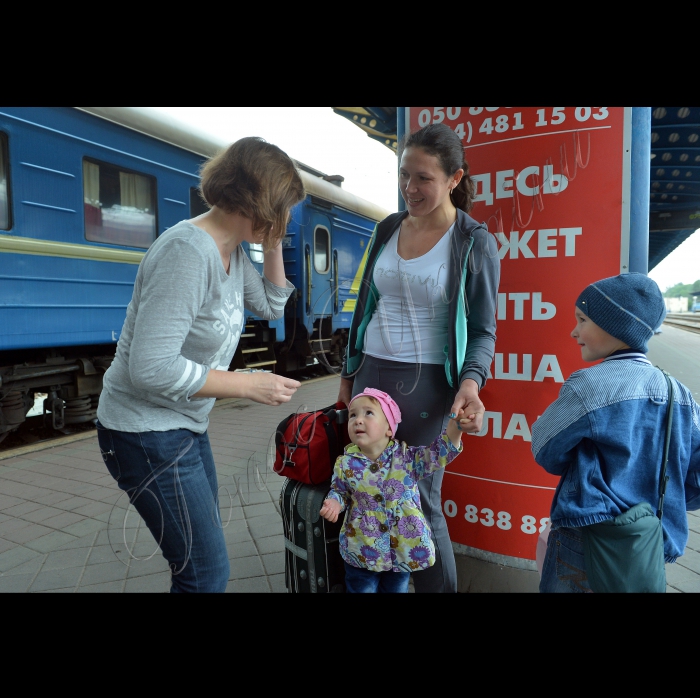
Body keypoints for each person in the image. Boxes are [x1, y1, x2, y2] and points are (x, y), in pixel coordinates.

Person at [96, 137, 304, 593]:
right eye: (283, 208)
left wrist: (272, 243)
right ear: (260, 201)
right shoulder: (189, 253)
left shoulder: (229, 250)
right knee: (204, 574)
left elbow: (271, 303)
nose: (286, 220)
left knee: (201, 566)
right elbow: (148, 368)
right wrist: (247, 385)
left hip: (182, 426)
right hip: (144, 432)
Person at [338, 123, 500, 593]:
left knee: (420, 504)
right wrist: (349, 375)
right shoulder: (389, 227)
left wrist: (470, 383)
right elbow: (367, 304)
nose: (410, 188)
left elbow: (484, 329)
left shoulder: (474, 241)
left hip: (428, 387)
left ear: (454, 178)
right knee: (367, 493)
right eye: (405, 175)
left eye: (424, 178)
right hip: (371, 376)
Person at [531, 273, 700, 593]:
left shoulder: (588, 386)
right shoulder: (680, 394)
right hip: (647, 544)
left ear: (615, 325)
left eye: (582, 320)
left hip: (584, 539)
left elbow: (545, 449)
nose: (574, 331)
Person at [320, 388, 467, 593]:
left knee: (397, 590)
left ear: (389, 428)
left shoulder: (406, 458)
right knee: (361, 589)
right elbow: (340, 490)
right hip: (362, 550)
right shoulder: (345, 463)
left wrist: (456, 428)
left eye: (368, 413)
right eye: (353, 414)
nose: (358, 420)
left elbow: (436, 455)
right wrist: (334, 502)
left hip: (401, 550)